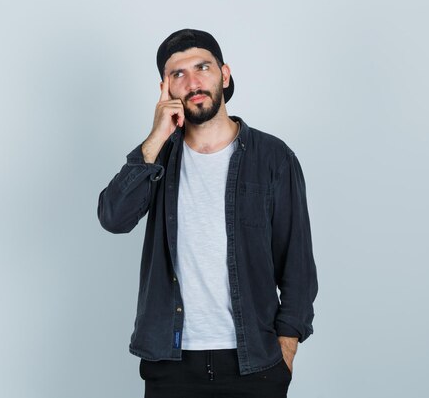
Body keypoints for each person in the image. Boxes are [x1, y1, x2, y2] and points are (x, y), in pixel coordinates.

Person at [97, 29, 318, 398]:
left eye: (203, 67)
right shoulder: (159, 157)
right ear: (165, 89)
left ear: (225, 75)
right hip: (171, 366)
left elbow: (297, 265)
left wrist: (286, 350)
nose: (193, 82)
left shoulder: (273, 157)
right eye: (178, 74)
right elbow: (114, 218)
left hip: (255, 366)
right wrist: (154, 138)